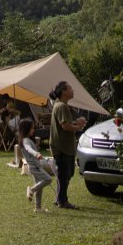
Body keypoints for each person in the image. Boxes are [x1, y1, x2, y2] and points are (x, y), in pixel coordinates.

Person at [49, 81, 86, 210]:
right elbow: (65, 126)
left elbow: (65, 123)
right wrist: (78, 126)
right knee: (65, 174)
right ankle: (63, 201)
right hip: (62, 147)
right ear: (64, 91)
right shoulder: (62, 106)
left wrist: (76, 122)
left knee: (65, 174)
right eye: (70, 88)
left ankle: (59, 198)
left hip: (63, 146)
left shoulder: (61, 105)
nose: (72, 90)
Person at [18, 118, 56, 212]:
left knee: (40, 187)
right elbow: (28, 149)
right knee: (48, 179)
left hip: (34, 166)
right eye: (31, 128)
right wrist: (36, 153)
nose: (33, 130)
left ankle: (38, 208)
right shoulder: (26, 140)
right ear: (26, 129)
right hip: (35, 167)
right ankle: (31, 189)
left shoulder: (26, 139)